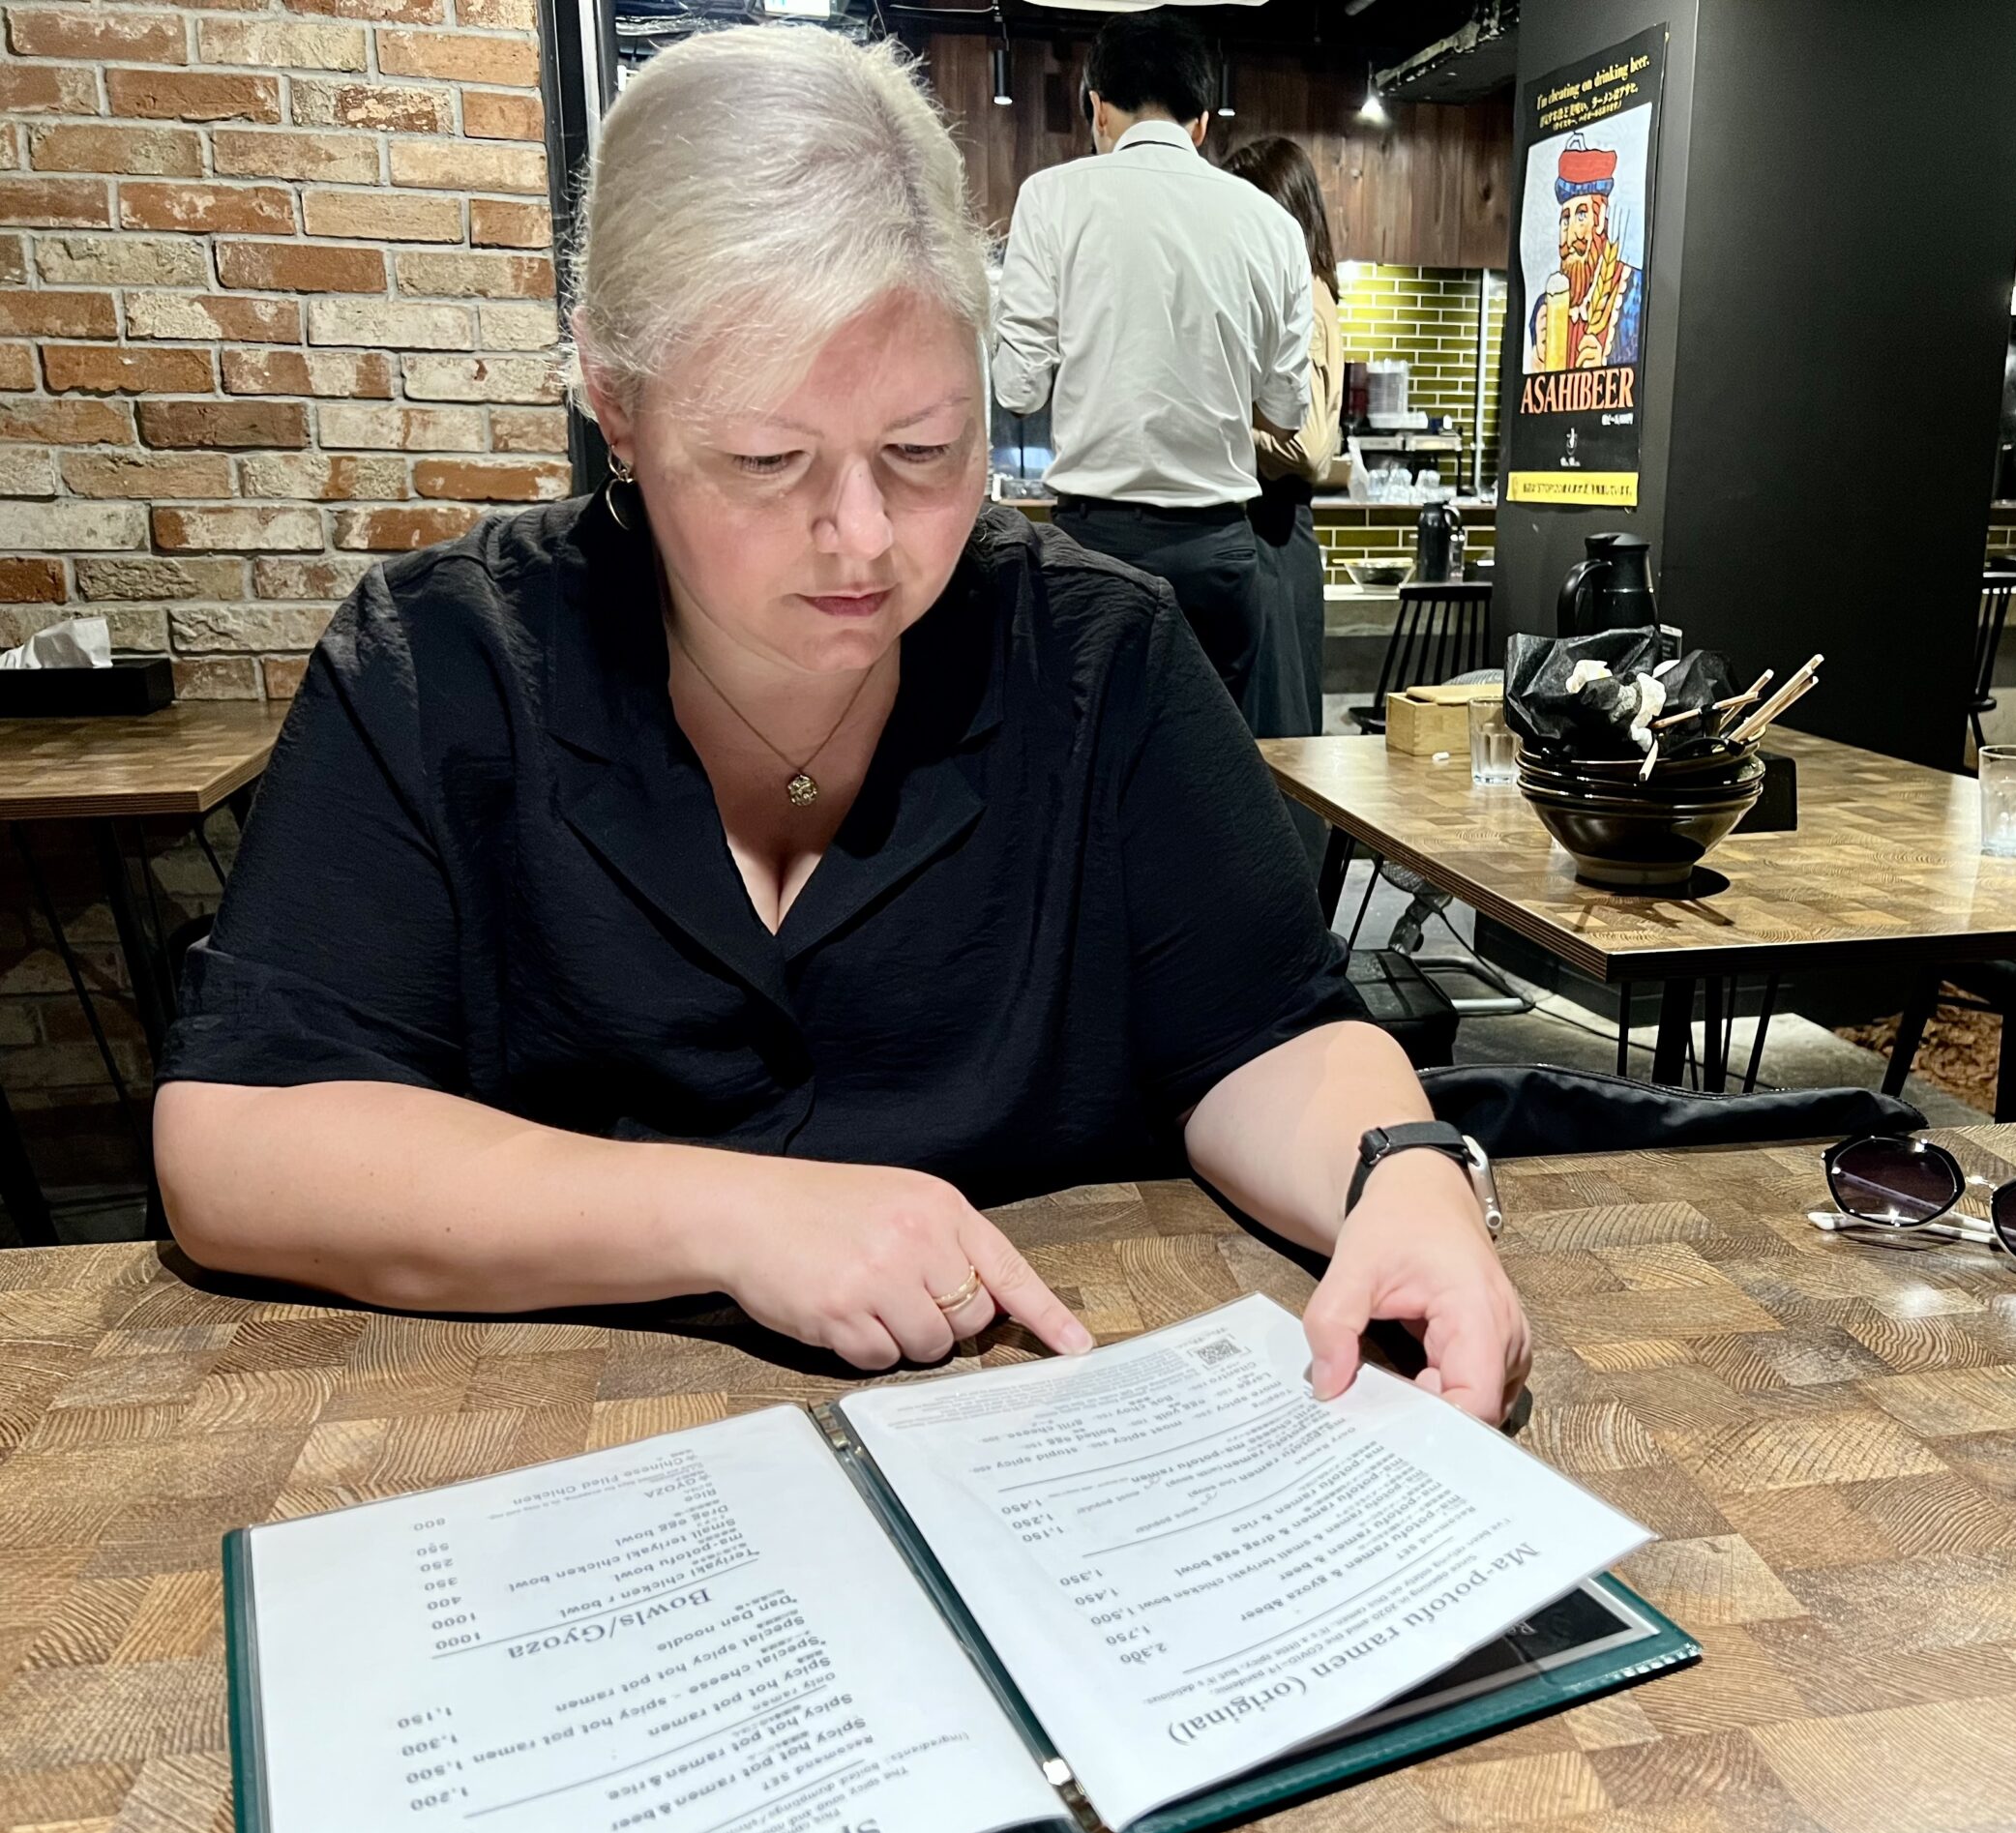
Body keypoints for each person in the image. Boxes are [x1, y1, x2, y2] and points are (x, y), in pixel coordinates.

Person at [150, 26, 1530, 1424]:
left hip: (1035, 1426)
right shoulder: (445, 664)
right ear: (614, 403)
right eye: (767, 460)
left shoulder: (1096, 652)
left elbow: (1270, 1034)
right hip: (549, 1441)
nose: (863, 538)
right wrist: (725, 1214)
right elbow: (243, 1143)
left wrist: (1407, 1179)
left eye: (923, 450)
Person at [992, 12, 1313, 738]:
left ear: (1097, 107)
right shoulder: (1272, 225)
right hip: (1220, 553)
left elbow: (1018, 389)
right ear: (1202, 123)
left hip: (1094, 547)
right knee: (1212, 767)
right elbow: (1287, 412)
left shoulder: (1051, 198)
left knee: (1088, 763)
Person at [1225, 135, 1344, 750]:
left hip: (1275, 532)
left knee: (1279, 744)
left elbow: (1311, 450)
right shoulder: (1292, 295)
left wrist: (1222, 428)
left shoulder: (1308, 299)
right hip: (1268, 536)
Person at [1526, 133, 1643, 373]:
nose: (1569, 238)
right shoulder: (1543, 308)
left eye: (1581, 215)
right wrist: (1536, 361)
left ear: (1599, 220)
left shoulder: (1632, 292)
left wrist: (1605, 368)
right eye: (1565, 220)